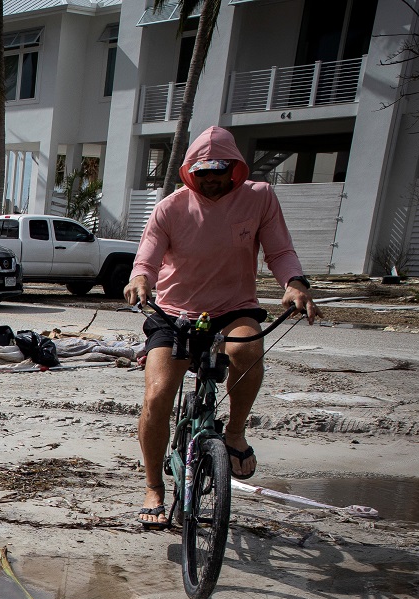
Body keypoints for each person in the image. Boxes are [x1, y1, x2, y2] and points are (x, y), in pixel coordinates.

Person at [124, 126, 319, 529]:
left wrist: (294, 285)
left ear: (234, 168)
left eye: (220, 170)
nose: (211, 178)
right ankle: (153, 487)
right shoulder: (171, 207)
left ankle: (234, 434)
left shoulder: (260, 198)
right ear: (191, 171)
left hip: (234, 308)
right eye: (203, 171)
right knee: (158, 394)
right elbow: (147, 258)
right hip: (175, 310)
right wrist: (140, 279)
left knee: (248, 350)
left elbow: (280, 250)